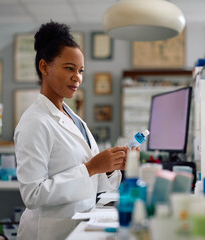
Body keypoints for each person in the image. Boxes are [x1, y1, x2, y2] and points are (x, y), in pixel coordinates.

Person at [14, 21, 129, 240]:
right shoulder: (34, 122)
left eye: (80, 70)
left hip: (75, 227)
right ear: (44, 67)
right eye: (69, 68)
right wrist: (91, 168)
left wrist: (110, 166)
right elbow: (32, 194)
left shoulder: (73, 118)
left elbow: (93, 180)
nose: (77, 77)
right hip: (46, 233)